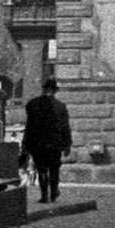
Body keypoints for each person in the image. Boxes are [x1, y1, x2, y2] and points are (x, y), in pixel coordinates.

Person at [19, 71, 73, 202]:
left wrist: (25, 143)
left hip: (37, 143)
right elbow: (65, 127)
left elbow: (29, 126)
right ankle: (54, 192)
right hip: (54, 144)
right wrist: (67, 144)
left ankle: (44, 196)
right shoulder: (60, 106)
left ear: (44, 90)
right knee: (54, 169)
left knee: (41, 168)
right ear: (54, 91)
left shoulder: (33, 104)